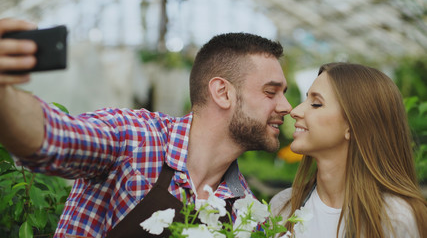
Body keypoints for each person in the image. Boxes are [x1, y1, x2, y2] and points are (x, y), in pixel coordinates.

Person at [0, 18, 292, 237]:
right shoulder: (134, 139)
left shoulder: (247, 212)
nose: (286, 107)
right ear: (222, 93)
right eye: (270, 92)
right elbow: (53, 137)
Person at [270, 62, 427, 238]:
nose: (295, 111)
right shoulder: (282, 206)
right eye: (306, 99)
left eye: (316, 104)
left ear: (353, 126)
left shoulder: (395, 218)